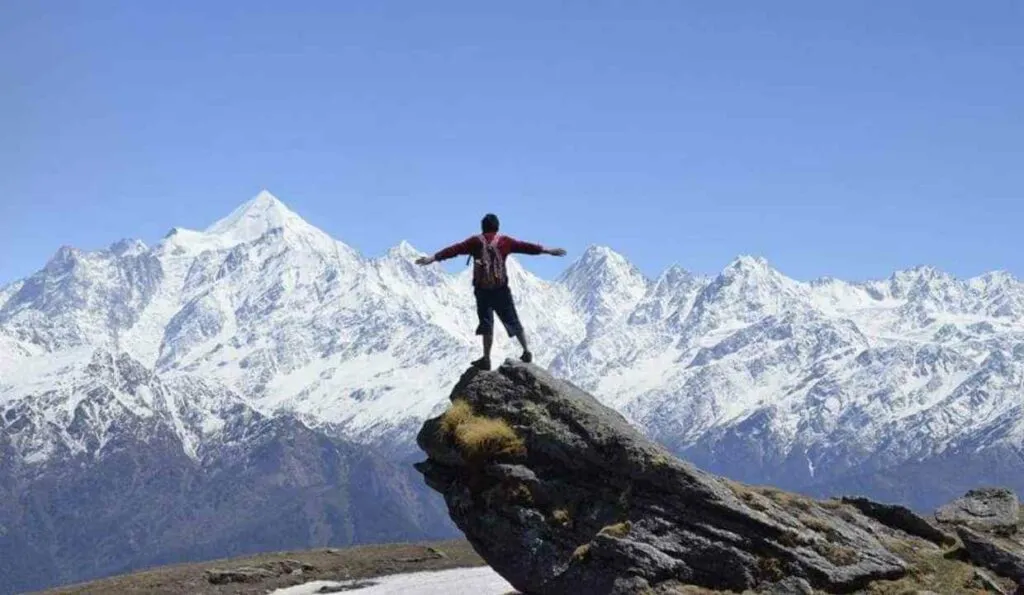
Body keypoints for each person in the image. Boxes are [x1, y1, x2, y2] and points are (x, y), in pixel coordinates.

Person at [416, 213, 566, 370]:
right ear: (497, 227)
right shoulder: (505, 242)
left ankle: (486, 359)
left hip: (483, 291)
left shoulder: (475, 241)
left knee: (486, 324)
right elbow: (526, 247)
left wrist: (432, 258)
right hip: (501, 290)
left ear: (482, 227)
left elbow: (454, 250)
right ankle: (526, 351)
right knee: (512, 319)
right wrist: (548, 251)